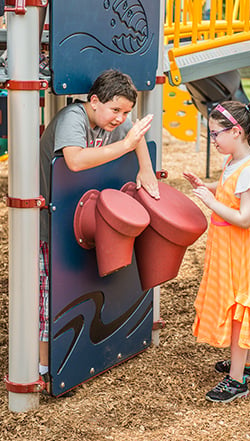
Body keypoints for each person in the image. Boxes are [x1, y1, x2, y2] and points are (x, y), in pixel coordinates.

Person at [39, 69, 160, 395]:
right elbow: (75, 162)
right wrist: (126, 143)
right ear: (94, 101)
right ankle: (42, 365)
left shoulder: (111, 117)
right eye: (115, 110)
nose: (120, 117)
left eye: (125, 112)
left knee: (85, 281)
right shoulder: (73, 118)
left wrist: (146, 168)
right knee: (47, 292)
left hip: (82, 219)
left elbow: (134, 137)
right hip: (52, 221)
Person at [183, 100, 250, 403]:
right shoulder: (235, 161)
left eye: (215, 134)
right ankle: (248, 364)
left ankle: (237, 381)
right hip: (230, 248)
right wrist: (208, 187)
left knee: (239, 310)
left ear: (235, 132)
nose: (213, 140)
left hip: (242, 250)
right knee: (238, 305)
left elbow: (245, 218)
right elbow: (229, 190)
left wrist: (211, 204)